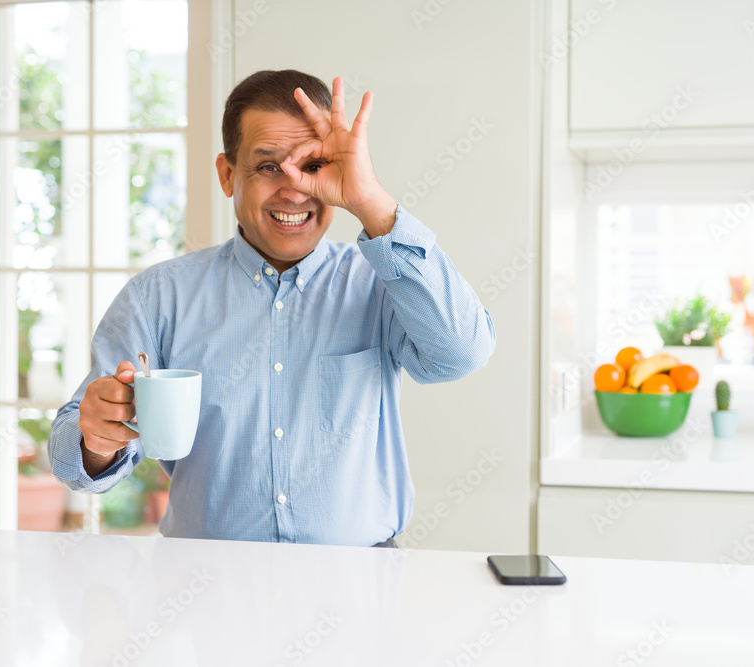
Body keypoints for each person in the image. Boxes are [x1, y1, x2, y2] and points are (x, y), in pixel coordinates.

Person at [48, 69, 495, 547]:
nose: (295, 190)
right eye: (268, 167)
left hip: (361, 577)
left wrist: (371, 202)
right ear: (227, 175)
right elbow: (70, 459)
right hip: (203, 578)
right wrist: (96, 439)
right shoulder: (158, 296)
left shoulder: (381, 284)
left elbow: (462, 353)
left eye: (313, 166)